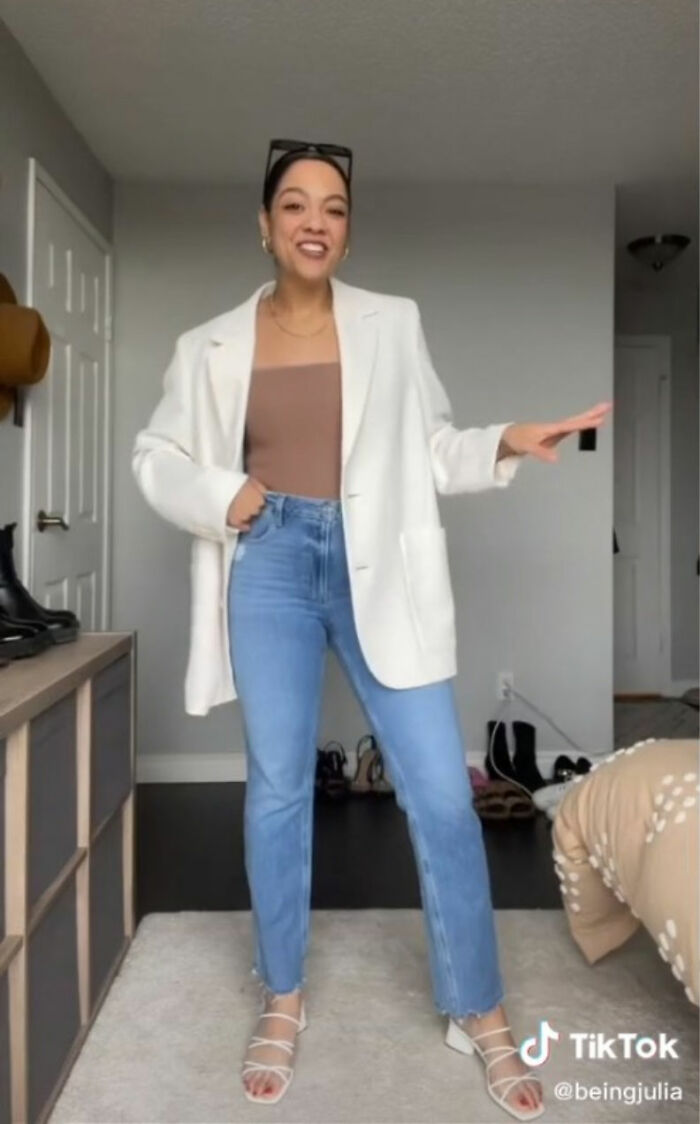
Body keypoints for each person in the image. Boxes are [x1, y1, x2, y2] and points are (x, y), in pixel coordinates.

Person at [132, 138, 612, 1118]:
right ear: (264, 224)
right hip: (268, 558)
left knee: (440, 793)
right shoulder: (206, 344)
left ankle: (476, 1006)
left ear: (347, 232)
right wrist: (223, 493)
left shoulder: (395, 323)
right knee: (276, 790)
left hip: (377, 561)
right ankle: (282, 993)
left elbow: (429, 447)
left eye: (335, 207)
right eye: (295, 204)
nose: (315, 221)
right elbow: (155, 454)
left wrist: (503, 440)